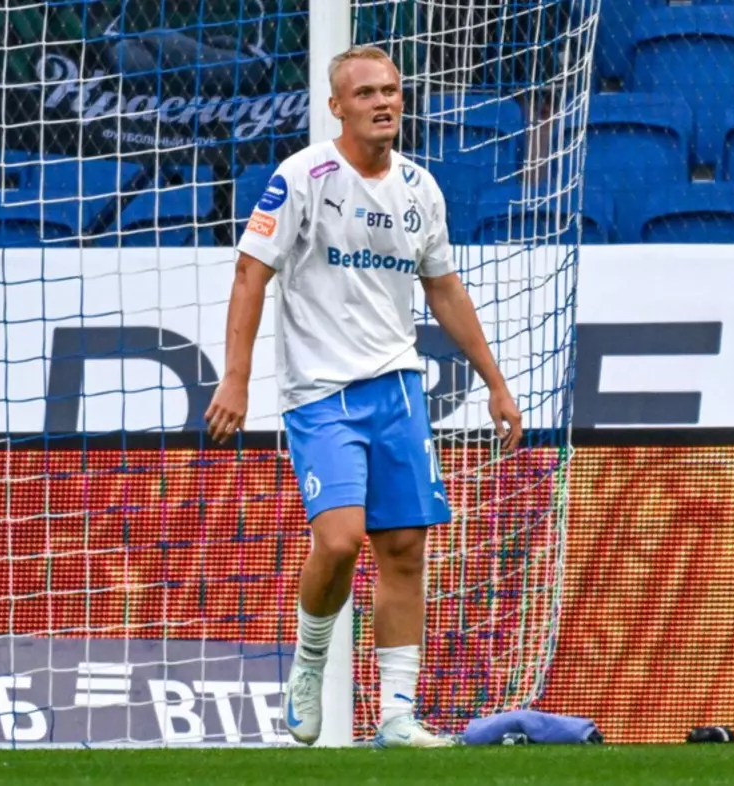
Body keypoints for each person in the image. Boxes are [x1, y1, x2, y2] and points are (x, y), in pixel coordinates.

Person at [204, 44, 523, 748]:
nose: (384, 102)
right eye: (368, 93)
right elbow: (251, 272)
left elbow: (443, 287)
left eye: (392, 91)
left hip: (398, 387)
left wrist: (496, 383)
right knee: (341, 540)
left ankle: (398, 716)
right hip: (320, 393)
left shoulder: (420, 189)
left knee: (404, 547)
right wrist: (236, 376)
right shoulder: (303, 177)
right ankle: (309, 663)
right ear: (337, 107)